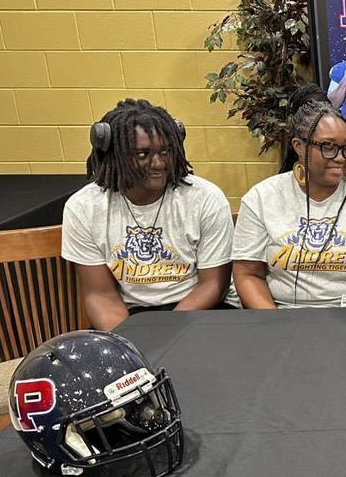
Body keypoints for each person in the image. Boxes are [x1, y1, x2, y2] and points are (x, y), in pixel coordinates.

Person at [61, 99, 234, 330]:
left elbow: (214, 284)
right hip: (132, 317)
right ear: (114, 154)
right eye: (143, 154)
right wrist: (132, 342)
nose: (159, 163)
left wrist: (166, 334)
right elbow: (100, 294)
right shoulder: (83, 207)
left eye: (166, 151)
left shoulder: (205, 198)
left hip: (198, 311)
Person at [232, 89, 346, 308]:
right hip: (283, 314)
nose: (340, 158)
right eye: (328, 147)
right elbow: (248, 274)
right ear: (299, 147)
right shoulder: (262, 198)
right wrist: (274, 326)